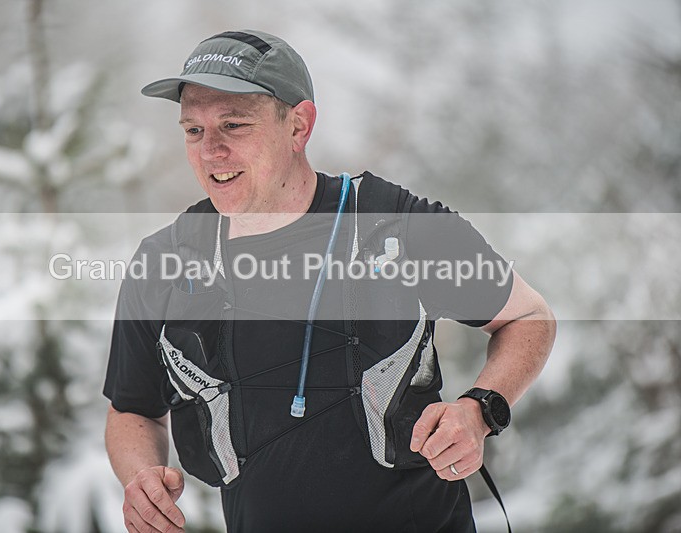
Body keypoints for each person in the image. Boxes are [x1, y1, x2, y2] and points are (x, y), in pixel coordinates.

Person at [103, 30, 556, 533]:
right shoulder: (163, 261)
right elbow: (132, 409)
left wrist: (481, 408)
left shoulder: (394, 224)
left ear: (298, 125)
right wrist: (140, 477)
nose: (211, 152)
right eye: (193, 131)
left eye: (233, 125)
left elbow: (529, 317)